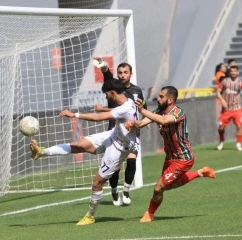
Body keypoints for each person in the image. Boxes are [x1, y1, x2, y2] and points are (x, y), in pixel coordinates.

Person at [29, 79, 139, 225]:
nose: (106, 97)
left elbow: (99, 117)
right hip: (113, 135)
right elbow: (114, 113)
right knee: (79, 145)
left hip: (119, 148)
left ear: (112, 93)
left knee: (97, 183)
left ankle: (90, 216)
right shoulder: (127, 101)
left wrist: (74, 114)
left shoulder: (125, 108)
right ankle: (41, 152)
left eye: (106, 94)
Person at [128, 86, 216, 223]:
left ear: (170, 100)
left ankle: (149, 214)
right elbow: (142, 123)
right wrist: (134, 123)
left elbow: (163, 121)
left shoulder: (179, 113)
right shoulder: (159, 111)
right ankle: (201, 172)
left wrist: (143, 110)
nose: (158, 99)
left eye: (161, 97)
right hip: (170, 157)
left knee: (158, 188)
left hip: (183, 158)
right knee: (168, 186)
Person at [93, 58, 147, 206]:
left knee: (132, 160)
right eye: (120, 73)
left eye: (125, 72)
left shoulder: (137, 91)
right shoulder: (114, 87)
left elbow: (143, 108)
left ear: (131, 74)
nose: (122, 75)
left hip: (132, 131)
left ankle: (127, 190)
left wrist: (144, 120)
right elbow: (107, 75)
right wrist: (103, 66)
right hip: (114, 130)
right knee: (115, 166)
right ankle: (114, 190)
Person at [216, 66, 242, 151]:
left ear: (237, 72)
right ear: (229, 72)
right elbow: (218, 92)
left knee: (239, 126)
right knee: (221, 127)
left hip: (237, 108)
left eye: (235, 71)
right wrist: (222, 100)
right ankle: (221, 140)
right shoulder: (225, 81)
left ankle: (238, 143)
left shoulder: (240, 82)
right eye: (232, 71)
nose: (233, 73)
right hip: (226, 109)